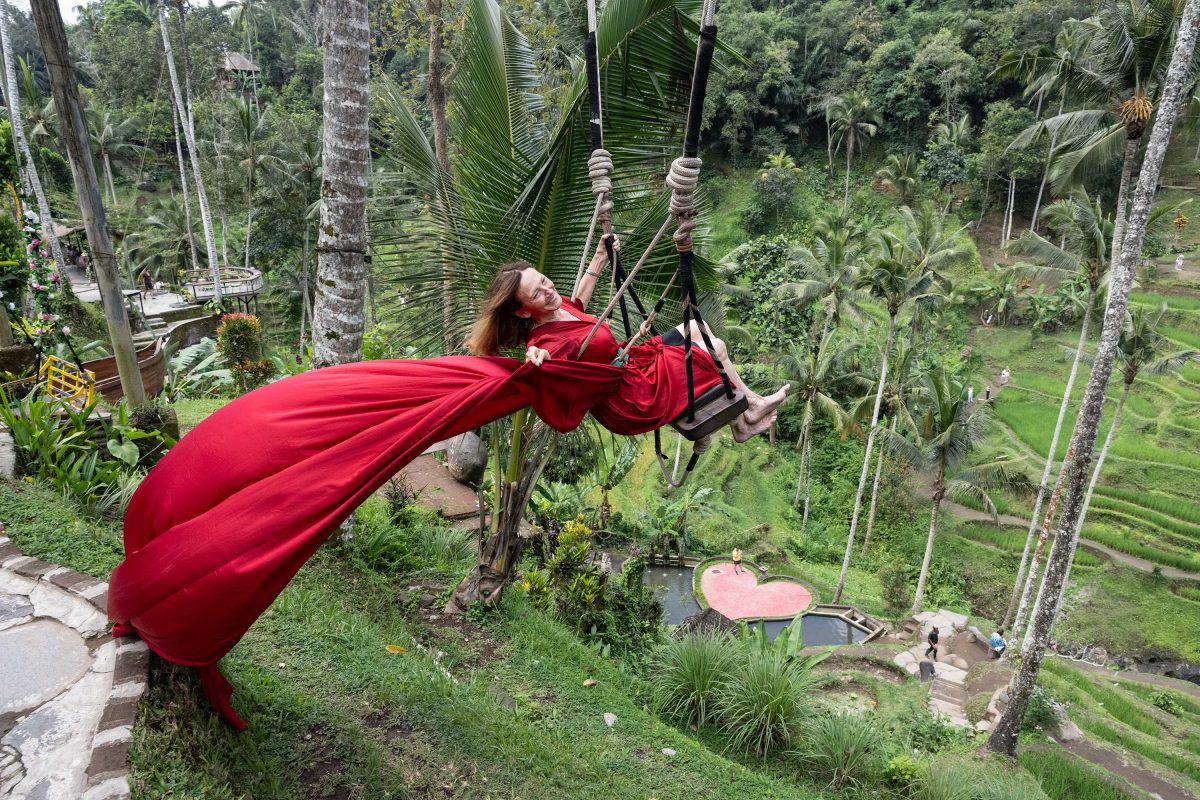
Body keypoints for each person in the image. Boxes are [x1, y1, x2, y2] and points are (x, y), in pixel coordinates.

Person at [467, 235, 790, 442]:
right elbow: (547, 362)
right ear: (524, 312)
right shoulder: (546, 342)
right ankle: (746, 414)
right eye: (537, 293)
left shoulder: (558, 305)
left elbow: (577, 301)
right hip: (630, 396)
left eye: (545, 281)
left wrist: (599, 257)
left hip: (634, 362)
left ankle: (747, 414)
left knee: (698, 327)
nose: (549, 291)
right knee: (714, 348)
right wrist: (536, 358)